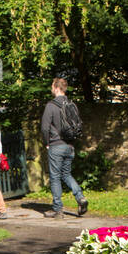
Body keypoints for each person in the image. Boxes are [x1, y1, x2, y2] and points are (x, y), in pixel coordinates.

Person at [40, 77, 88, 218]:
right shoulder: (71, 104)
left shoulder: (51, 105)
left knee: (55, 177)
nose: (51, 89)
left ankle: (57, 209)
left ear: (56, 87)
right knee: (66, 174)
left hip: (56, 145)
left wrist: (46, 142)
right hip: (70, 146)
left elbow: (44, 128)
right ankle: (80, 198)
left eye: (51, 86)